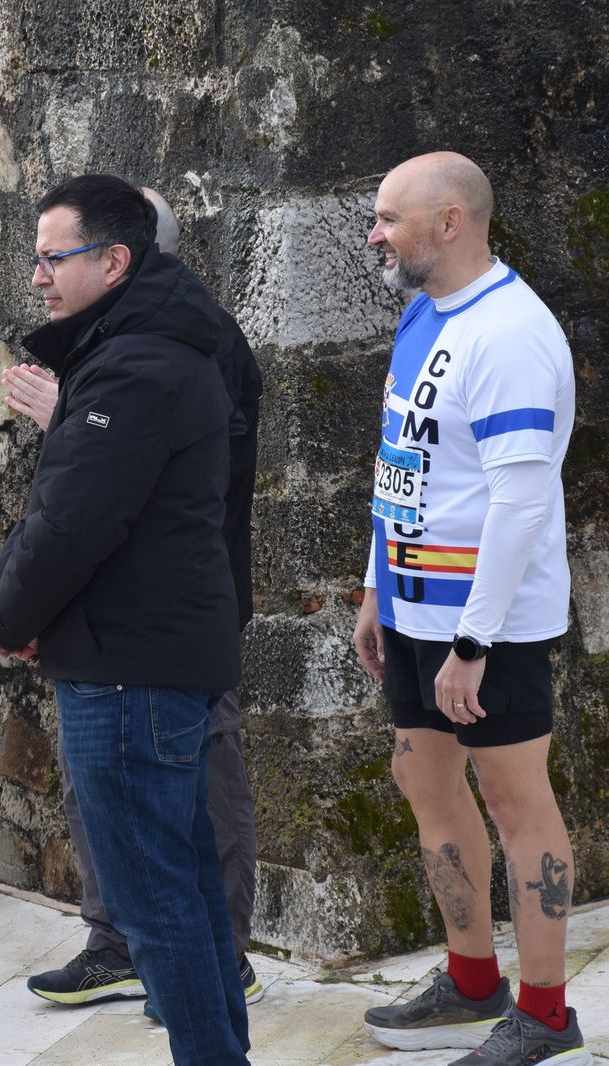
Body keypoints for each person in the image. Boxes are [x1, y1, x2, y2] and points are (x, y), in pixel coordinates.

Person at [0, 175, 248, 1065]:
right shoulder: (140, 347)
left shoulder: (134, 363)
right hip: (144, 654)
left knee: (158, 900)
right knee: (183, 886)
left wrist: (5, 612)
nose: (40, 276)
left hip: (129, 667)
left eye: (55, 257)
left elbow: (75, 519)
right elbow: (68, 498)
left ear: (115, 260)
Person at [352, 152, 588, 1065]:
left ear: (450, 222)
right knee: (426, 780)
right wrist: (378, 586)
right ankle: (471, 977)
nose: (374, 233)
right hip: (415, 613)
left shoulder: (512, 335)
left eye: (388, 217)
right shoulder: (424, 312)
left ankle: (543, 1011)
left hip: (486, 629)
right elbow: (400, 467)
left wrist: (472, 640)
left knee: (516, 800)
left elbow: (520, 502)